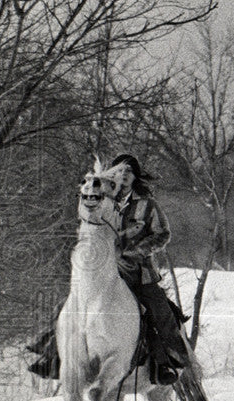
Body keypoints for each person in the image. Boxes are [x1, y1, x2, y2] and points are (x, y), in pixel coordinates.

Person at [27, 153, 188, 385]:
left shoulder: (147, 205)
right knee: (69, 306)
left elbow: (162, 234)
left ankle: (166, 363)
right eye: (119, 171)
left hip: (138, 272)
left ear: (135, 177)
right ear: (111, 175)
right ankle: (53, 357)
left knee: (160, 310)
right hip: (101, 270)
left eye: (129, 172)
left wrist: (136, 251)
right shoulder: (100, 199)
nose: (123, 176)